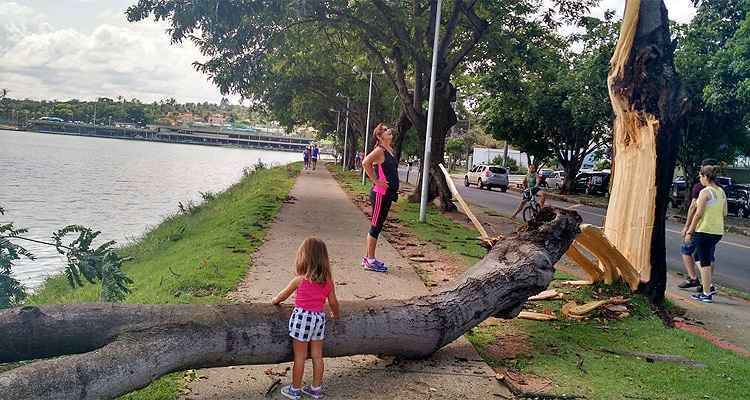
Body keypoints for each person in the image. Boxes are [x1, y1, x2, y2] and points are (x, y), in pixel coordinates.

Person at [272, 237, 340, 399]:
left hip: (302, 319)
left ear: (304, 257)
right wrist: (335, 314)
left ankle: (295, 389)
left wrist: (275, 301)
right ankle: (316, 389)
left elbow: (282, 295)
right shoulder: (328, 282)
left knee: (300, 356)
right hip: (318, 319)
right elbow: (333, 302)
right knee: (317, 355)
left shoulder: (300, 280)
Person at [684, 165, 726, 303]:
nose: (700, 179)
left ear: (706, 176)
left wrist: (690, 230)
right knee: (700, 257)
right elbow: (724, 212)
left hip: (704, 230)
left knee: (704, 262)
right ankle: (708, 287)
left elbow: (698, 213)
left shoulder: (705, 192)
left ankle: (707, 292)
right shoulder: (720, 191)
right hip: (717, 231)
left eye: (701, 176)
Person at [361, 123, 399, 272]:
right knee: (375, 226)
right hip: (379, 194)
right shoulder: (379, 150)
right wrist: (376, 180)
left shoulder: (390, 150)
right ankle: (370, 260)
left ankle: (367, 258)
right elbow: (365, 163)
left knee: (379, 224)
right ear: (379, 136)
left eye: (388, 129)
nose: (388, 131)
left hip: (388, 194)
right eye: (384, 130)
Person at [679, 158, 719, 291]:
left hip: (700, 227)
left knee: (688, 251)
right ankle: (706, 284)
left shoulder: (700, 188)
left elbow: (694, 209)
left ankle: (695, 279)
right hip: (715, 229)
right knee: (709, 256)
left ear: (703, 172)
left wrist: (688, 228)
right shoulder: (719, 188)